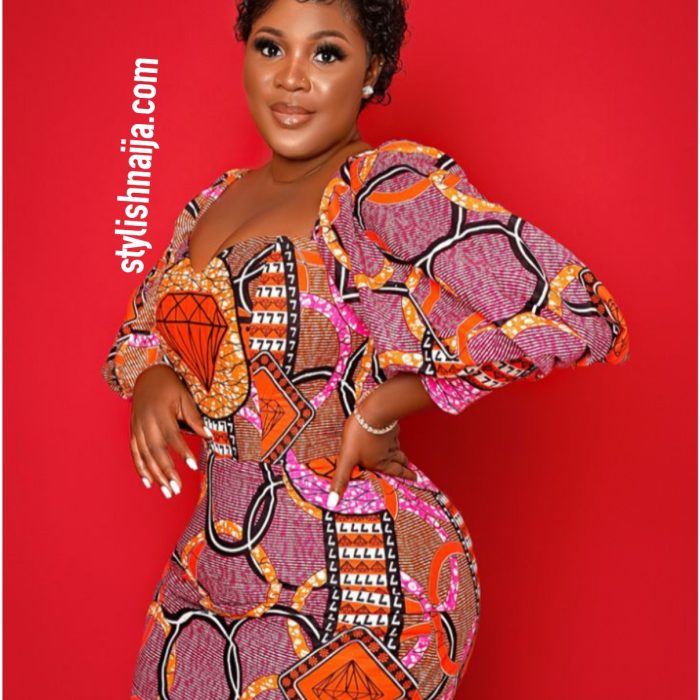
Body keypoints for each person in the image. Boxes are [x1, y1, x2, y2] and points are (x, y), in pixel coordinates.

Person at [100, 0, 631, 697]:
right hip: (213, 567)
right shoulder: (211, 202)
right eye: (270, 47)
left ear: (372, 71)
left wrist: (384, 406)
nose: (291, 77)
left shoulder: (379, 188)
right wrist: (153, 377)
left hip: (360, 582)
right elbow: (139, 334)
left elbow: (577, 314)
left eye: (326, 53)